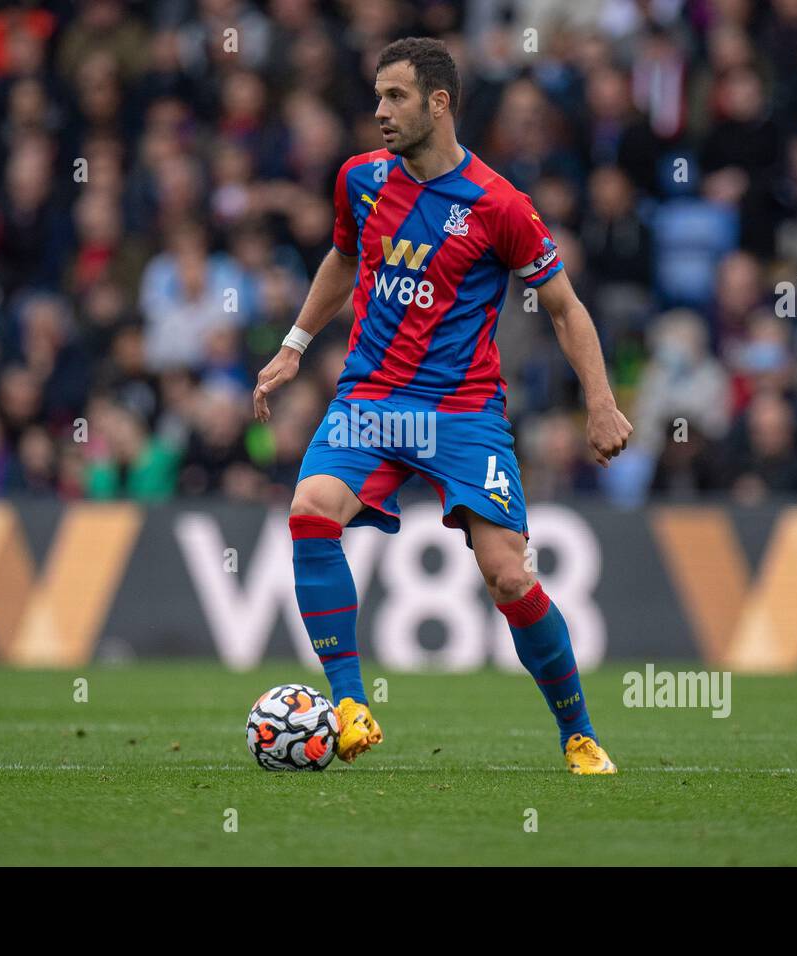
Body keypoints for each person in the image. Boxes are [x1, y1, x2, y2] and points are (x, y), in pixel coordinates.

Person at [251, 38, 633, 776]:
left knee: (509, 577)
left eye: (395, 97)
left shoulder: (499, 205)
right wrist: (297, 342)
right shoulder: (360, 180)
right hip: (370, 399)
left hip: (461, 412)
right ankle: (351, 706)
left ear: (439, 103)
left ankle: (578, 732)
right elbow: (342, 256)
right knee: (309, 511)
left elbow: (563, 306)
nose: (379, 112)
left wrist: (601, 403)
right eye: (376, 96)